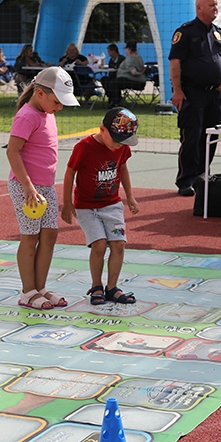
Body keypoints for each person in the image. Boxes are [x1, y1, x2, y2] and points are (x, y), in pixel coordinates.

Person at [6, 67, 79, 310]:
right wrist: (27, 187)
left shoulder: (47, 113)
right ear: (39, 93)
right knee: (30, 237)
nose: (60, 107)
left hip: (45, 187)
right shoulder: (27, 116)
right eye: (57, 101)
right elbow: (13, 151)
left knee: (49, 235)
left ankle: (40, 287)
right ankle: (28, 292)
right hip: (26, 187)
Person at [62, 107, 141, 305]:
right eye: (115, 140)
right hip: (87, 207)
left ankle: (112, 288)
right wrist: (67, 204)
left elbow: (123, 168)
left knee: (118, 244)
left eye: (122, 142)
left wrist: (129, 196)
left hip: (112, 205)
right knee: (98, 245)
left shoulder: (122, 146)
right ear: (102, 130)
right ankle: (96, 285)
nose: (118, 146)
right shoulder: (85, 147)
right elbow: (70, 172)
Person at [169, 0, 221, 196]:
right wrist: (178, 91)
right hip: (192, 93)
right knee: (192, 136)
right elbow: (175, 63)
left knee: (211, 136)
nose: (216, 8)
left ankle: (202, 176)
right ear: (199, 8)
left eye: (216, 5)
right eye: (211, 5)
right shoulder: (185, 32)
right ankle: (186, 180)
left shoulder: (218, 33)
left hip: (214, 95)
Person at [105, 42, 146, 107]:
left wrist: (140, 73)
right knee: (110, 81)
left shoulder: (130, 59)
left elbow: (133, 72)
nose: (125, 50)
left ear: (129, 49)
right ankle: (114, 100)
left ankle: (117, 103)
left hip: (134, 81)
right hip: (139, 81)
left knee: (113, 83)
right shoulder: (139, 57)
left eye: (125, 48)